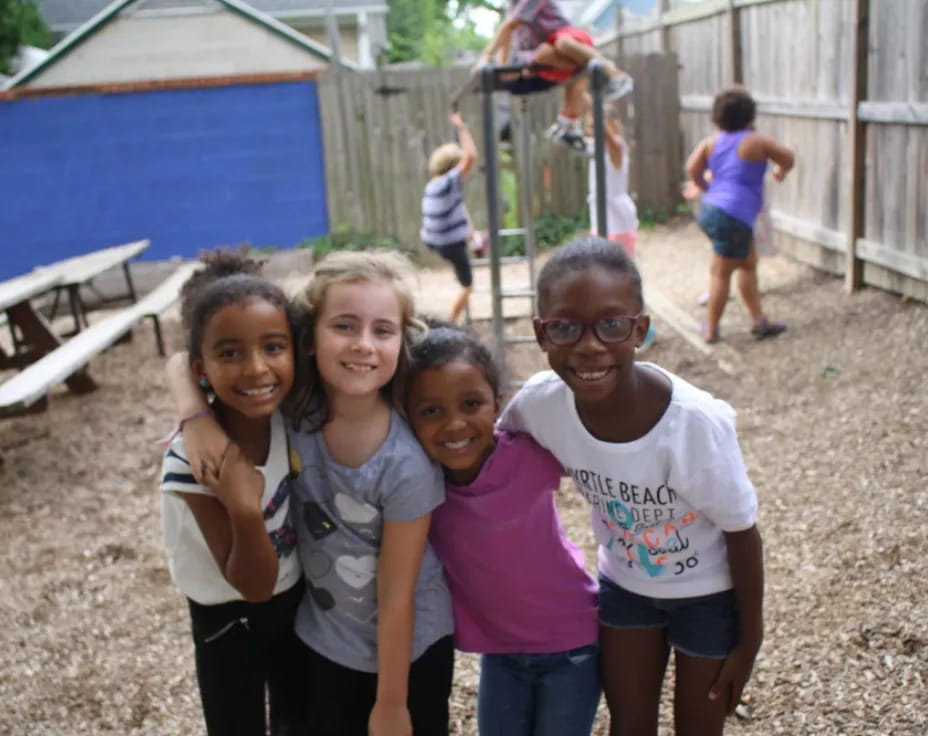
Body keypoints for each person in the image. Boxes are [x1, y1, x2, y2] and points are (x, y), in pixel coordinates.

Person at [167, 251, 455, 736]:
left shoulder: (406, 464)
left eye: (382, 331)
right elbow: (183, 360)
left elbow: (397, 592)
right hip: (323, 645)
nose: (364, 345)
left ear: (400, 341)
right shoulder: (293, 409)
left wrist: (391, 703)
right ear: (308, 339)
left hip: (409, 656)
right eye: (344, 326)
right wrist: (194, 418)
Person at [499, 236, 765, 736]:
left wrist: (749, 641)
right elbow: (485, 456)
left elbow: (742, 532)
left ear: (640, 329)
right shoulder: (538, 407)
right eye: (565, 327)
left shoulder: (693, 426)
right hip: (625, 589)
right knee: (629, 722)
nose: (589, 344)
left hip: (709, 596)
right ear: (540, 333)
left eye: (612, 324)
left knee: (699, 727)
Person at [407, 322, 601, 736]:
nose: (455, 424)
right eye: (431, 411)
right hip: (500, 654)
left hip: (573, 643)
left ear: (496, 405)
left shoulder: (530, 456)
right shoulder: (420, 486)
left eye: (470, 404)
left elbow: (598, 456)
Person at [159, 250, 309, 736]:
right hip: (226, 617)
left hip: (295, 601)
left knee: (298, 717)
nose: (256, 369)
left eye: (272, 347)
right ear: (203, 367)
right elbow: (254, 586)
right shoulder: (192, 462)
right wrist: (244, 506)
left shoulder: (291, 416)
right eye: (230, 354)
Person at [686, 86, 794, 343]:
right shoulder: (757, 141)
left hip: (713, 209)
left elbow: (693, 167)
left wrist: (703, 186)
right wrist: (780, 172)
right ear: (750, 115)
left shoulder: (711, 142)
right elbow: (788, 157)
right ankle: (711, 329)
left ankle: (759, 320)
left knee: (747, 263)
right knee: (721, 273)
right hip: (734, 215)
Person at [477, 0, 633, 153]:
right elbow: (510, 34)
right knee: (546, 57)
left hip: (569, 41)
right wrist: (506, 68)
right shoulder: (513, 7)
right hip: (551, 56)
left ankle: (612, 72)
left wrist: (486, 56)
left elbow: (509, 26)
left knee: (562, 44)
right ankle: (568, 122)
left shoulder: (525, 6)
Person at [585, 106, 655, 351]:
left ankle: (640, 328)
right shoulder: (596, 147)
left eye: (599, 125)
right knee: (602, 274)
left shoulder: (617, 148)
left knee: (622, 276)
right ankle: (613, 324)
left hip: (616, 219)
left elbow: (612, 141)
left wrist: (597, 113)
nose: (594, 130)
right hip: (602, 216)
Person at [421, 112, 479, 323]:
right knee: (468, 285)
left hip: (434, 240)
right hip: (448, 243)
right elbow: (471, 156)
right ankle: (449, 321)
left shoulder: (435, 185)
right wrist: (461, 126)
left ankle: (475, 239)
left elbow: (460, 209)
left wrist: (472, 234)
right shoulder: (448, 182)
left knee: (463, 213)